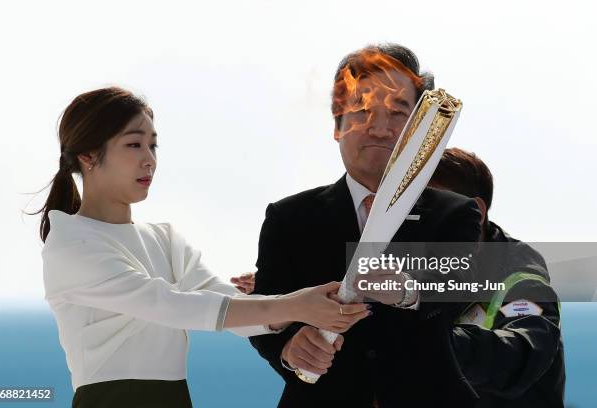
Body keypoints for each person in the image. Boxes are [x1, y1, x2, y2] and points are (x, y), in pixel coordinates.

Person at [31, 87, 371, 408]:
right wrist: (293, 305)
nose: (149, 160)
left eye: (153, 146)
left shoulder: (164, 239)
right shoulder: (69, 243)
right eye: (134, 145)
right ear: (88, 156)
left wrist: (287, 299)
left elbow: (232, 308)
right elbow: (170, 304)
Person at [248, 44, 484, 407]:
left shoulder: (453, 213)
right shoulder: (289, 217)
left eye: (397, 112)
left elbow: (457, 290)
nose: (379, 128)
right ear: (337, 127)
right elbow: (266, 306)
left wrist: (408, 291)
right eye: (361, 110)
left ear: (419, 130)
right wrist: (288, 349)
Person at [428, 147, 565, 407]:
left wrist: (430, 344)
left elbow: (523, 352)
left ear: (475, 212)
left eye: (431, 206)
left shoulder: (522, 280)